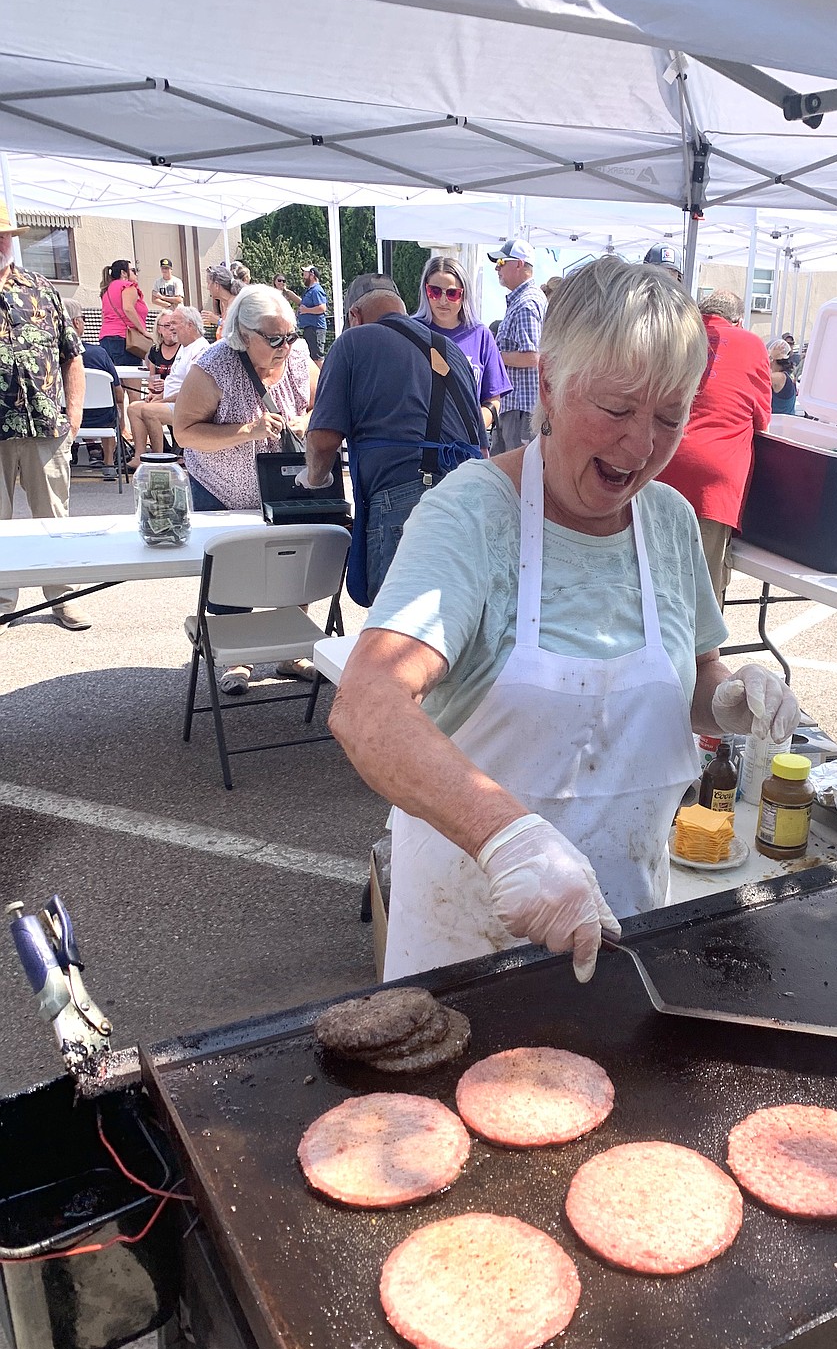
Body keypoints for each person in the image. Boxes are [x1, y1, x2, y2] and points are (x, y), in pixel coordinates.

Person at [327, 257, 801, 985]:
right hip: (469, 949)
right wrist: (507, 838)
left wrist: (730, 694)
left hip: (626, 939)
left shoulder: (671, 523)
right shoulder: (470, 515)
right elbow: (367, 706)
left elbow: (694, 671)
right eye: (616, 409)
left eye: (670, 416)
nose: (643, 447)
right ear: (547, 383)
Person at [173, 285, 318, 693]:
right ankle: (237, 659)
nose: (285, 345)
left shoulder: (297, 357)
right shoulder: (213, 366)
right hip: (223, 490)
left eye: (290, 335)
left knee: (294, 565)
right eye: (274, 339)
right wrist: (246, 431)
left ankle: (291, 652)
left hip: (285, 487)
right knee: (233, 575)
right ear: (244, 333)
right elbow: (184, 433)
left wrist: (307, 422)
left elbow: (322, 402)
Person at [303, 285, 486, 604]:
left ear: (353, 317)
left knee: (397, 635)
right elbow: (481, 447)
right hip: (466, 500)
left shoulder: (353, 341)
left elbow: (322, 441)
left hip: (401, 500)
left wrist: (314, 480)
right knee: (453, 625)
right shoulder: (452, 350)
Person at [0, 203, 88, 631]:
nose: (2, 243)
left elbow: (73, 355)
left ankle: (61, 596)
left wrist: (74, 414)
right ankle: (2, 600)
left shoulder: (39, 287)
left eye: (5, 236)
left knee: (53, 518)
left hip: (46, 424)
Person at [656, 290, 772, 609]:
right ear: (739, 320)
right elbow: (762, 418)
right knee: (702, 594)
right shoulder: (751, 344)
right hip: (714, 480)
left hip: (659, 464)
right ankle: (699, 660)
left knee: (652, 574)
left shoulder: (676, 336)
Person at [414, 254, 511, 441]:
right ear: (425, 291)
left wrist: (472, 426)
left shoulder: (481, 335)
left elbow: (493, 400)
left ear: (463, 294)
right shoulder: (412, 332)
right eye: (435, 291)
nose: (443, 301)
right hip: (419, 447)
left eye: (452, 293)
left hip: (467, 447)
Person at [128, 305, 210, 464]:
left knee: (149, 410)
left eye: (174, 323)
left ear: (190, 325)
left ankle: (159, 460)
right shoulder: (184, 347)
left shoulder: (199, 349)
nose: (172, 328)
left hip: (188, 407)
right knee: (133, 408)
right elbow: (173, 382)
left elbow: (192, 391)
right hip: (172, 401)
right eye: (167, 324)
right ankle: (139, 457)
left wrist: (162, 400)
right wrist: (158, 396)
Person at [489, 239, 544, 452]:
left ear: (520, 264)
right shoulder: (524, 300)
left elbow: (532, 357)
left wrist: (495, 355)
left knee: (515, 476)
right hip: (518, 408)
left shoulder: (526, 304)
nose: (497, 267)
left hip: (522, 411)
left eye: (502, 262)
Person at [63, 298, 123, 481]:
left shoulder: (54, 354)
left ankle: (66, 457)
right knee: (113, 409)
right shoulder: (99, 354)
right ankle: (108, 463)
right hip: (101, 418)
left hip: (66, 416)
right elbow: (118, 393)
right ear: (76, 322)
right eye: (84, 318)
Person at [98, 259, 148, 366]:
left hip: (105, 338)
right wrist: (143, 331)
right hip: (124, 339)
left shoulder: (106, 290)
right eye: (133, 270)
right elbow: (128, 308)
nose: (136, 274)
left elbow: (104, 316)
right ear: (123, 273)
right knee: (131, 378)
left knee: (115, 379)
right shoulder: (128, 286)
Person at [283, 264, 328, 365]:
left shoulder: (316, 290)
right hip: (310, 328)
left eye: (305, 273)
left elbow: (322, 308)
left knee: (317, 358)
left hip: (315, 328)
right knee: (312, 358)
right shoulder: (310, 291)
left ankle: (325, 379)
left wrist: (307, 310)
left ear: (312, 275)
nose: (303, 275)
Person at [766, 338, 798, 415]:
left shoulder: (780, 378)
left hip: (779, 424)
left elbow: (758, 376)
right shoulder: (786, 376)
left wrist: (770, 356)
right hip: (783, 424)